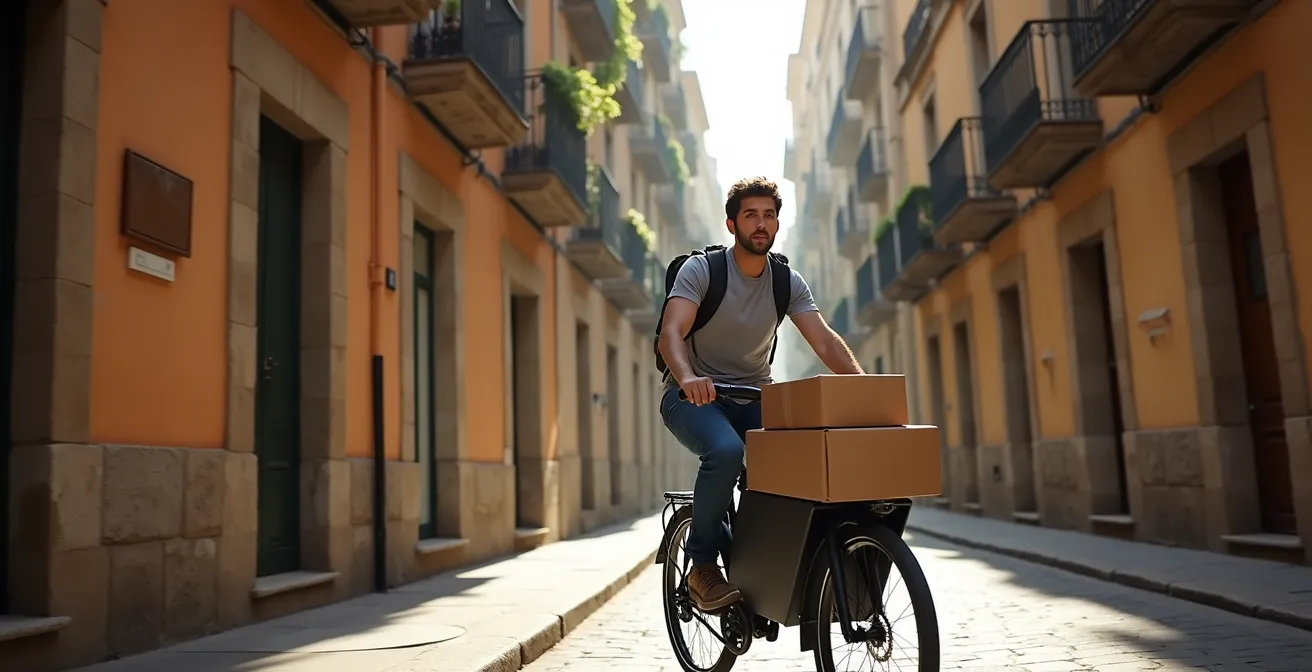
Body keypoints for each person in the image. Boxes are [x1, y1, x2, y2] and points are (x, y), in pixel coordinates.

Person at [658, 176, 864, 613]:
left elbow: (824, 341)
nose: (761, 223)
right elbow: (671, 333)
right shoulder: (703, 271)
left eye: (769, 215)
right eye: (751, 215)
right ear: (732, 224)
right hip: (691, 396)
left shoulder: (786, 281)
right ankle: (701, 566)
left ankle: (768, 564)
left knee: (802, 458)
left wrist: (864, 388)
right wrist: (688, 377)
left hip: (755, 398)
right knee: (727, 451)